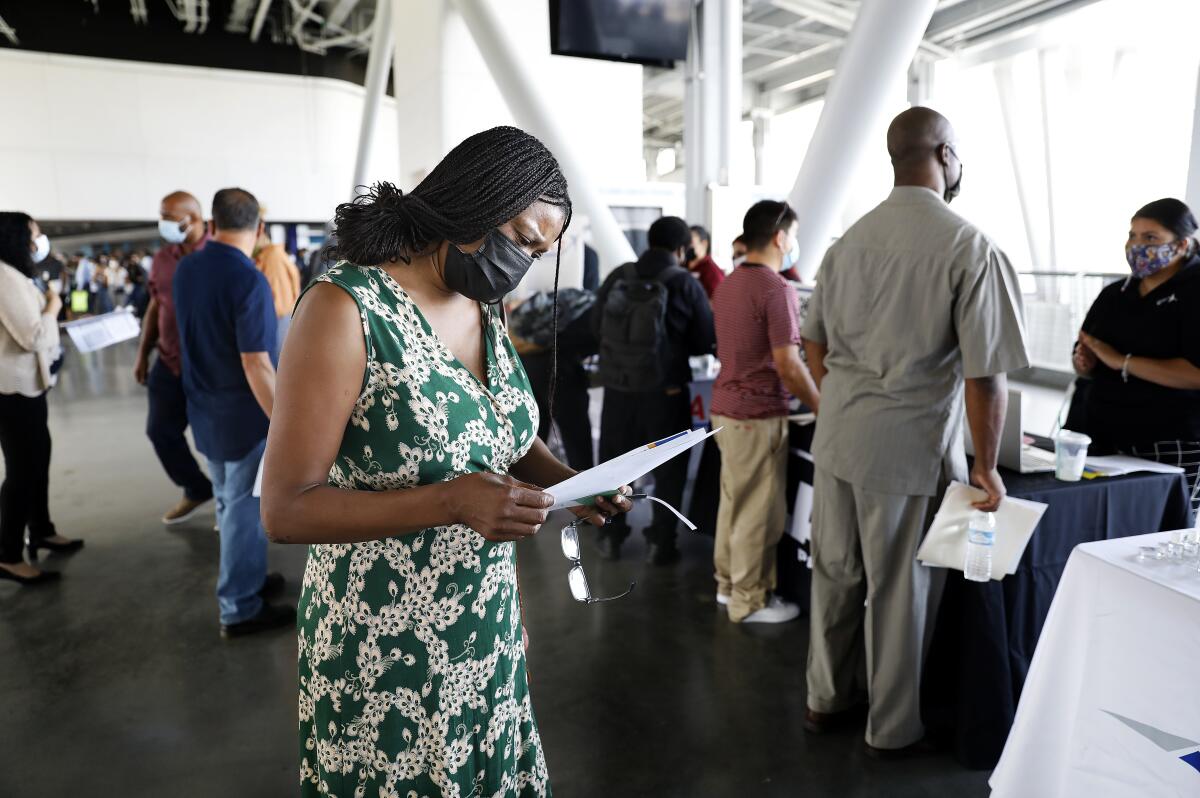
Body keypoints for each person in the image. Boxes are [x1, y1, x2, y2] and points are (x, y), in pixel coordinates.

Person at [259, 126, 632, 798]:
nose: (523, 263)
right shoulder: (346, 309)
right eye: (521, 238)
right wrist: (452, 502)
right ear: (472, 206)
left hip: (480, 619)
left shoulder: (483, 306)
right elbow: (285, 509)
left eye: (539, 251)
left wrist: (575, 483)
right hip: (381, 638)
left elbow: (505, 435)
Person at [801, 107, 1028, 757]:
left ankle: (824, 698)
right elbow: (986, 377)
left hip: (839, 433)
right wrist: (986, 467)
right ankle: (892, 728)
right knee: (896, 591)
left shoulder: (848, 243)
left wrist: (845, 402)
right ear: (948, 154)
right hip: (907, 445)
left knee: (835, 572)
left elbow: (812, 345)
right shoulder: (967, 246)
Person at [173, 188, 290, 637]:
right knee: (243, 510)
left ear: (213, 222)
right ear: (259, 230)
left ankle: (250, 580)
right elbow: (256, 362)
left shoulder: (188, 267)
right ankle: (239, 607)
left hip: (204, 408)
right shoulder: (248, 280)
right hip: (242, 417)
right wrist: (286, 424)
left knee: (227, 502)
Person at [710, 200, 819, 624]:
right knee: (758, 512)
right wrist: (820, 406)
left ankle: (727, 586)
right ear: (779, 237)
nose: (793, 244)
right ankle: (750, 600)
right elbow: (789, 365)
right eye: (792, 236)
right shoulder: (777, 289)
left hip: (725, 410)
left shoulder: (729, 283)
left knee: (733, 503)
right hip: (757, 416)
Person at [593, 215, 716, 564]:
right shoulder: (684, 283)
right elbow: (705, 340)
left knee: (614, 469)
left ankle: (610, 535)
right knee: (669, 470)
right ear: (682, 248)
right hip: (666, 395)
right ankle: (661, 543)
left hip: (618, 391)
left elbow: (594, 325)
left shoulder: (620, 275)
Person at [1075, 198, 1200, 513]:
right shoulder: (1115, 293)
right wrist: (1085, 363)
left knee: (1154, 534)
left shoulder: (1194, 293)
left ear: (1183, 244)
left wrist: (1122, 362)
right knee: (1093, 525)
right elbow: (1088, 352)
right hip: (1099, 433)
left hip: (1169, 440)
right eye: (1132, 235)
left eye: (1150, 238)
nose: (1136, 245)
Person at [0, 212, 83, 585]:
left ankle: (42, 528)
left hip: (30, 385)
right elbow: (31, 337)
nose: (39, 240)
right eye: (34, 234)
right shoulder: (3, 276)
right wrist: (52, 305)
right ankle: (8, 554)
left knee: (38, 458)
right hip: (11, 390)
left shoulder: (15, 274)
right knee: (21, 469)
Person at [134, 191, 215, 525]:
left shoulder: (217, 255)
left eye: (169, 216)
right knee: (160, 431)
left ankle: (229, 506)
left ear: (193, 218)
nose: (163, 222)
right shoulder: (163, 258)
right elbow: (156, 304)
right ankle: (196, 488)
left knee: (215, 441)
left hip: (209, 366)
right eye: (161, 214)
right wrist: (143, 352)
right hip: (168, 361)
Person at [252, 227, 302, 347]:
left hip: (277, 317)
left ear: (261, 234)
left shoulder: (271, 257)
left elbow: (274, 298)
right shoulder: (270, 255)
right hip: (280, 315)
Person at [687, 224, 725, 299]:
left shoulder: (712, 271)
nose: (687, 247)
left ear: (704, 243)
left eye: (691, 242)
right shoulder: (681, 266)